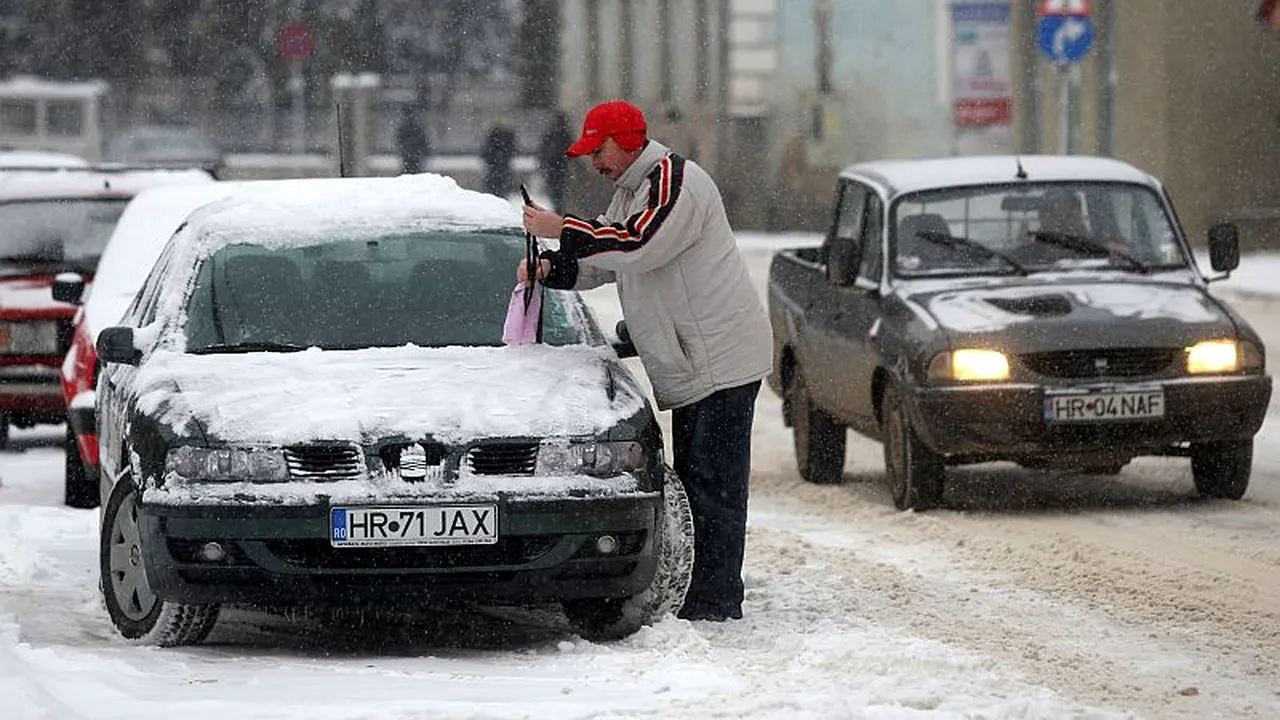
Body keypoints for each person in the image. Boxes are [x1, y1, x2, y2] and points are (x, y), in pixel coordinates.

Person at [518, 100, 772, 622]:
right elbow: (607, 262)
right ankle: (705, 593)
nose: (594, 161)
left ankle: (717, 601)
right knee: (700, 484)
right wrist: (552, 269)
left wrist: (562, 226)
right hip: (691, 362)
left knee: (715, 490)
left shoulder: (675, 180)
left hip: (721, 360)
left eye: (599, 149)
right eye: (588, 152)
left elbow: (638, 246)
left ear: (629, 138)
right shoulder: (631, 191)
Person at [539, 109, 571, 212]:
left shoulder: (551, 133)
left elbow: (544, 150)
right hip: (559, 166)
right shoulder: (564, 133)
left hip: (554, 166)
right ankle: (558, 209)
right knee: (559, 192)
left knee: (555, 192)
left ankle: (558, 209)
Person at [481, 123, 517, 197]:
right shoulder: (507, 141)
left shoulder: (492, 141)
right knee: (503, 193)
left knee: (491, 192)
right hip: (503, 170)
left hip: (494, 170)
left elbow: (486, 155)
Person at [395, 105, 431, 175]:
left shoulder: (407, 127)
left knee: (411, 170)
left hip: (411, 154)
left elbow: (400, 140)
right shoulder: (416, 126)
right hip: (413, 154)